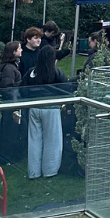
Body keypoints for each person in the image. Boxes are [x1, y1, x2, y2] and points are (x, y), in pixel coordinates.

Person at [24, 43, 68, 179]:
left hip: (34, 108)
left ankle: (34, 172)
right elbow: (66, 88)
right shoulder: (56, 72)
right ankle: (50, 171)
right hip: (51, 109)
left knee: (34, 141)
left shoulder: (32, 72)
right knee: (52, 141)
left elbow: (22, 87)